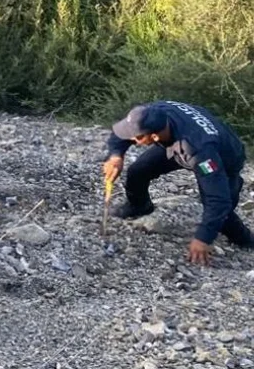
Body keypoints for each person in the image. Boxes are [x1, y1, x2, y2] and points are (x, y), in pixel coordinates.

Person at [103, 101, 253, 266]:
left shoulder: (198, 149)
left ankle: (245, 241)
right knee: (138, 171)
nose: (131, 139)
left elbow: (218, 200)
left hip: (223, 159)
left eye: (136, 137)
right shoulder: (152, 113)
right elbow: (124, 132)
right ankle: (140, 205)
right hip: (177, 142)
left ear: (154, 137)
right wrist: (116, 155)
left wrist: (203, 238)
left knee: (221, 211)